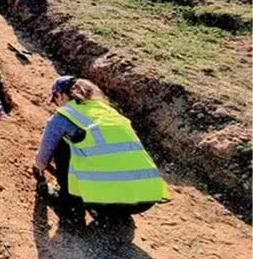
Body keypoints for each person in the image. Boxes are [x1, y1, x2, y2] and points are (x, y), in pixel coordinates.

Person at [33, 76, 170, 222]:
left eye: (55, 100)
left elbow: (41, 162)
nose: (56, 105)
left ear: (59, 95)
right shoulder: (109, 112)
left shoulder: (63, 116)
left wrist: (39, 168)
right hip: (145, 200)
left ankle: (69, 204)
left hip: (107, 202)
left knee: (63, 143)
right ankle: (110, 205)